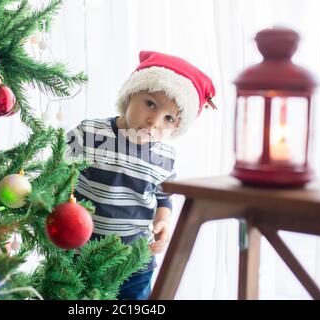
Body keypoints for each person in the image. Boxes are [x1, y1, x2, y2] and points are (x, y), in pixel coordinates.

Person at [67, 50, 216, 300]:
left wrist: (163, 224)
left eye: (169, 118)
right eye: (150, 104)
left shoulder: (164, 156)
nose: (154, 121)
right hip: (81, 253)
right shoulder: (90, 133)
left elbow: (163, 197)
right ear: (130, 95)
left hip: (134, 263)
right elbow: (59, 173)